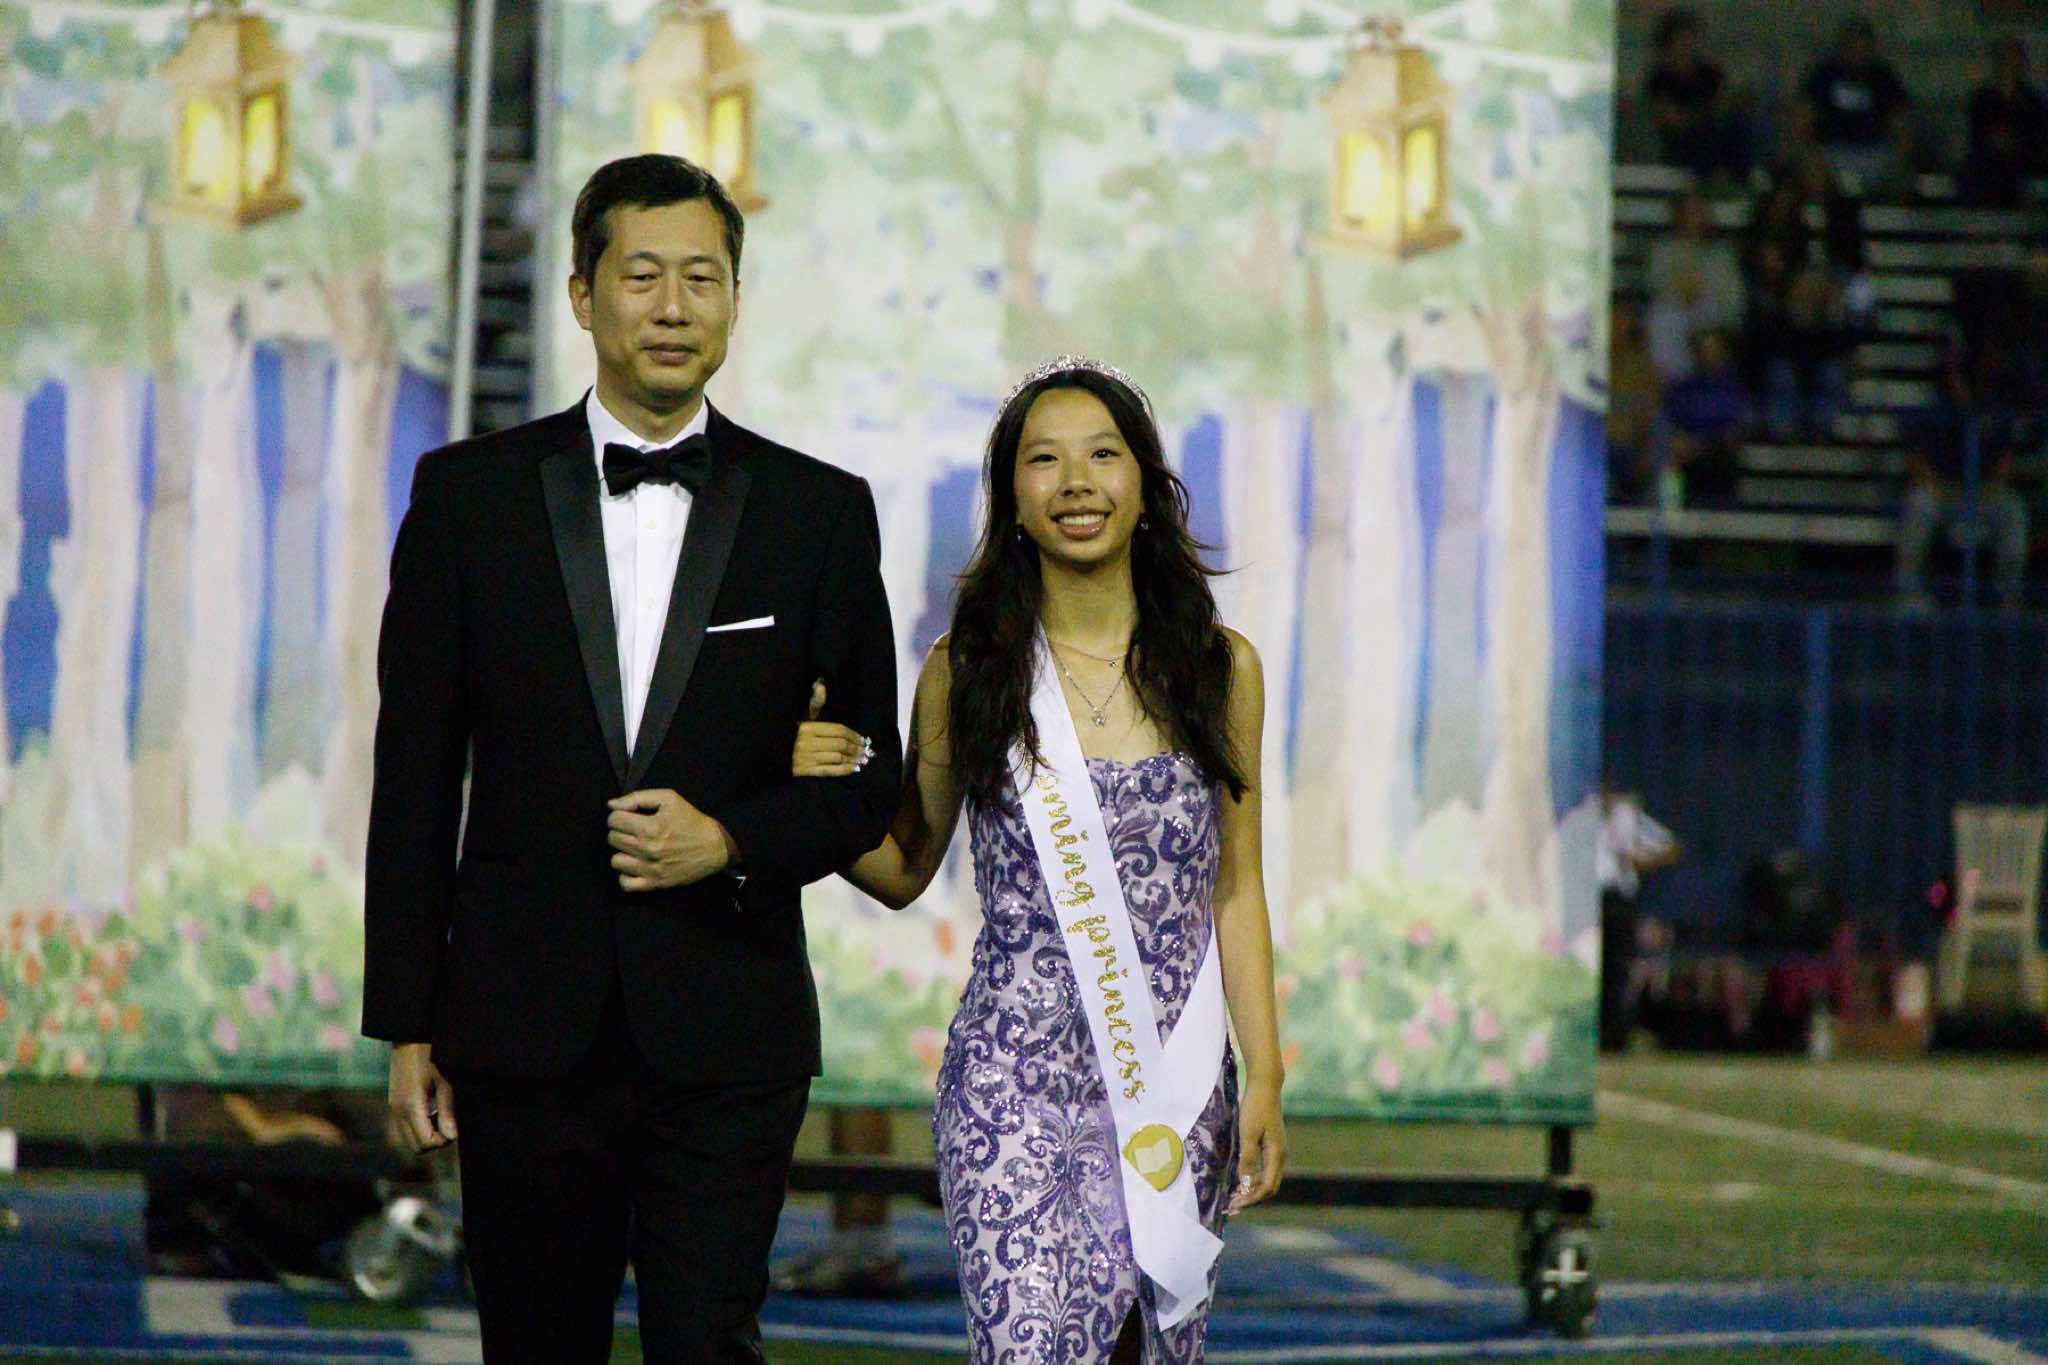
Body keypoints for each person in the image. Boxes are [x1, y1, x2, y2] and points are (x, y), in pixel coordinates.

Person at [361, 153, 903, 1363]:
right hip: (518, 1022)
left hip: (727, 1026)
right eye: (642, 275)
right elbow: (414, 775)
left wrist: (732, 839)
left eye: (701, 279)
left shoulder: (817, 511)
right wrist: (406, 1021)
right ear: (581, 293)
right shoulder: (467, 499)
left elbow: (873, 779)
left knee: (708, 1347)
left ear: (734, 301)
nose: (672, 307)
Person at [791, 357, 1286, 1363]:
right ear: (1011, 498)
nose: (1075, 482)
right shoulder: (966, 671)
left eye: (1103, 455)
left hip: (1175, 1088)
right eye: (1044, 460)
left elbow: (1236, 887)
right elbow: (902, 866)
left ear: (1144, 486)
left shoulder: (1220, 667)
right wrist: (799, 798)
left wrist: (1266, 1075)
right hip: (1011, 1084)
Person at [1895, 336, 2032, 609]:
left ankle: (2008, 599)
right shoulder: (1933, 408)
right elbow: (1915, 459)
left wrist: (1984, 490)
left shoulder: (1995, 409)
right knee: (1919, 504)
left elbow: (2005, 464)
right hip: (1942, 493)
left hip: (1983, 494)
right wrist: (1937, 486)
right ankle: (1909, 597)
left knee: (2013, 511)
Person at [1801, 17, 1913, 187]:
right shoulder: (1823, 76)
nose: (1856, 51)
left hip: (1875, 151)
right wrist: (1810, 151)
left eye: (1862, 45)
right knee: (1812, 171)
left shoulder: (1884, 78)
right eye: (1851, 45)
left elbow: (1900, 120)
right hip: (1832, 151)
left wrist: (1901, 154)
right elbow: (1805, 118)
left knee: (1902, 175)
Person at [1645, 192, 1743, 379]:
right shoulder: (1663, 249)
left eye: (1698, 213)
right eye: (1688, 213)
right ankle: (1672, 381)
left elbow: (1732, 298)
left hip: (1712, 314)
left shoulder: (1721, 254)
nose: (1693, 219)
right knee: (1662, 319)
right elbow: (1657, 285)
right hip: (1675, 311)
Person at [1643, 9, 1745, 182]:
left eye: (1690, 38)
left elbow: (1724, 104)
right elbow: (1674, 121)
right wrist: (1702, 113)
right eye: (1681, 39)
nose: (1687, 44)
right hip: (1682, 145)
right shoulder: (1660, 79)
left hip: (1715, 136)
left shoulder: (1709, 73)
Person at [1962, 38, 2048, 208]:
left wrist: (2016, 143)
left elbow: (2038, 138)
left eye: (2016, 60)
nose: (2012, 66)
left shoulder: (2033, 100)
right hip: (1989, 164)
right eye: (2007, 60)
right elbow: (1977, 137)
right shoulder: (1982, 99)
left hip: (2024, 163)